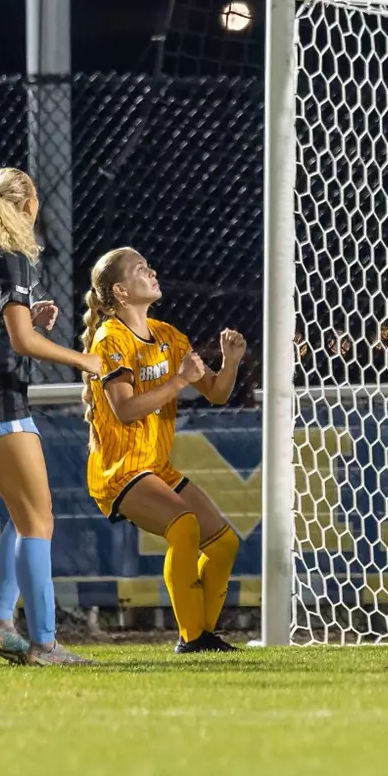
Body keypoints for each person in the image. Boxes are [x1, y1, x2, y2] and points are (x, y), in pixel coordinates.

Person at [0, 169, 102, 665]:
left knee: (22, 514)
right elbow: (22, 344)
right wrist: (86, 362)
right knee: (39, 519)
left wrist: (24, 318)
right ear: (28, 204)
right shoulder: (14, 257)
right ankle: (45, 644)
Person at [81, 247, 247, 652]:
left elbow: (218, 394)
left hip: (155, 466)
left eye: (150, 266)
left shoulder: (169, 336)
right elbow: (123, 410)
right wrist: (177, 383)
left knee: (224, 543)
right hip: (119, 470)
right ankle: (192, 638)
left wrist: (231, 362)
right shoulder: (110, 340)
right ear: (121, 291)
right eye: (141, 270)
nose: (152, 272)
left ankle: (202, 636)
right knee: (184, 525)